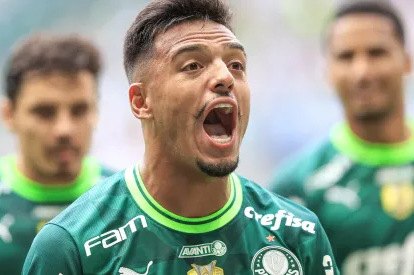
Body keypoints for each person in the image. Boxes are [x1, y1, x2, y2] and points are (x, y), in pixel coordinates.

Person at [22, 1, 339, 274]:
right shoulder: (71, 246)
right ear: (141, 102)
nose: (224, 77)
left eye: (236, 64)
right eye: (193, 65)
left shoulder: (299, 235)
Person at [269, 1, 414, 274]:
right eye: (346, 57)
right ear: (328, 72)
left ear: (407, 62)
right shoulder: (296, 188)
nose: (362, 72)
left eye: (377, 53)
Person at [0, 34, 115, 275]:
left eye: (79, 110)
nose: (64, 129)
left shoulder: (126, 203)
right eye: (44, 112)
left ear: (96, 112)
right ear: (8, 114)